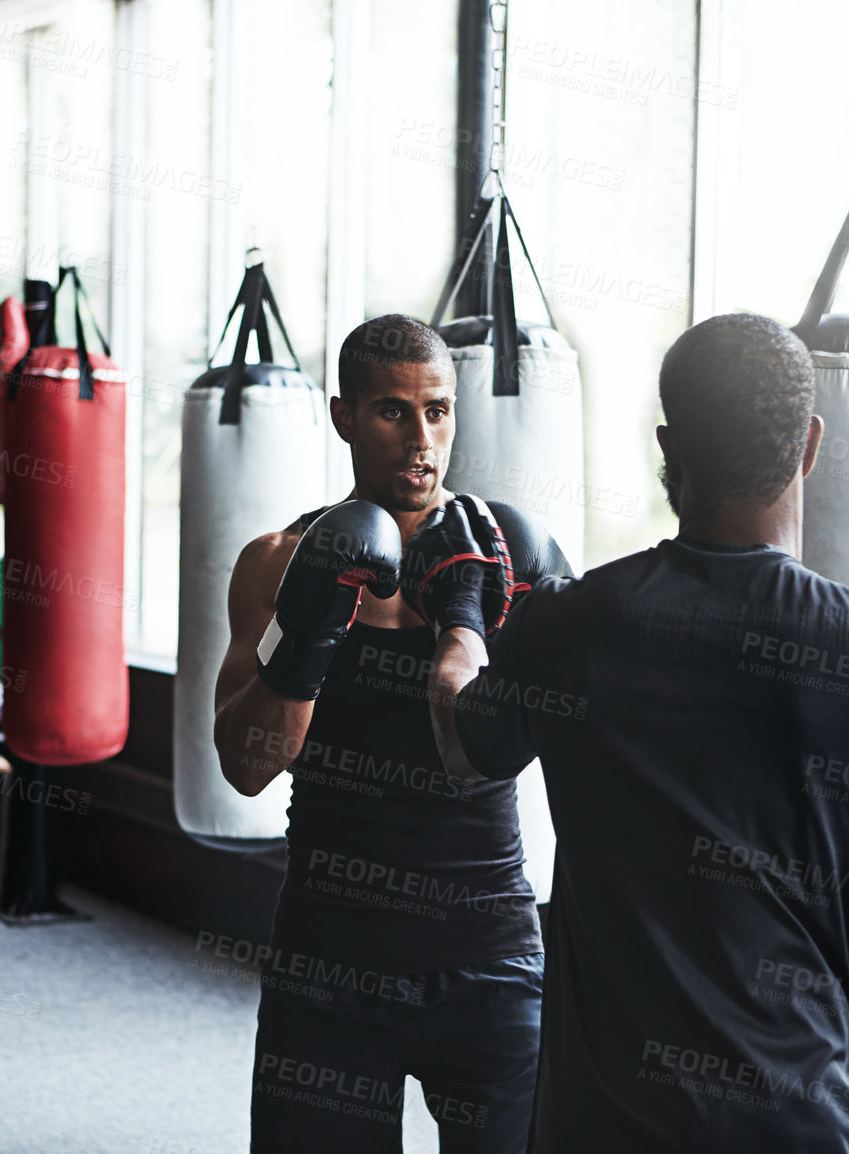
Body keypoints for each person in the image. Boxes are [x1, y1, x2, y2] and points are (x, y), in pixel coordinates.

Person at [419, 312, 849, 1152]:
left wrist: (460, 616)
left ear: (669, 450)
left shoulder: (573, 627)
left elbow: (463, 747)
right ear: (813, 445)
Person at [212, 314, 570, 1153]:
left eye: (438, 412)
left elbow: (592, 729)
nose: (422, 439)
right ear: (343, 416)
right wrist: (313, 628)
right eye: (392, 412)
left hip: (488, 949)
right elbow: (246, 767)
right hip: (330, 952)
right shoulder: (279, 561)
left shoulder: (508, 554)